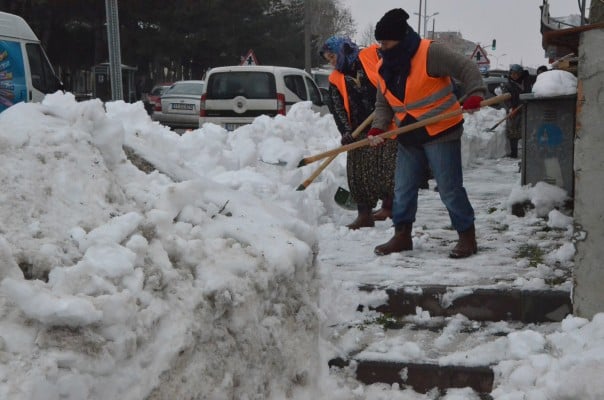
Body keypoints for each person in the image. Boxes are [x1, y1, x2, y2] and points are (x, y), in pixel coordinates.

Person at [366, 8, 487, 258]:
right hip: (409, 134)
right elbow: (383, 103)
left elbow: (466, 67)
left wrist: (475, 92)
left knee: (449, 187)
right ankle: (402, 235)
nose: (382, 47)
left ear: (400, 39)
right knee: (403, 188)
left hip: (440, 129)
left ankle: (467, 236)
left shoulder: (429, 53)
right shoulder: (383, 66)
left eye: (386, 42)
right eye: (380, 43)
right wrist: (379, 126)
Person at [320, 36, 397, 229]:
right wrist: (346, 131)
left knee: (387, 169)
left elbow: (395, 72)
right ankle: (364, 215)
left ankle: (389, 206)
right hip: (359, 129)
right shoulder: (335, 79)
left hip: (388, 125)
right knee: (357, 173)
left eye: (332, 57)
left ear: (343, 51)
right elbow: (337, 108)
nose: (332, 62)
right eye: (328, 59)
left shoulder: (372, 55)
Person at [502, 64, 532, 158]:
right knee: (513, 132)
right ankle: (513, 153)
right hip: (513, 110)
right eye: (512, 73)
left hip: (524, 109)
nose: (514, 76)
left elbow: (529, 93)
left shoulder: (526, 82)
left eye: (516, 74)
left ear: (520, 74)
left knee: (526, 131)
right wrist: (511, 108)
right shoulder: (508, 84)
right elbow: (505, 98)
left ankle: (528, 152)